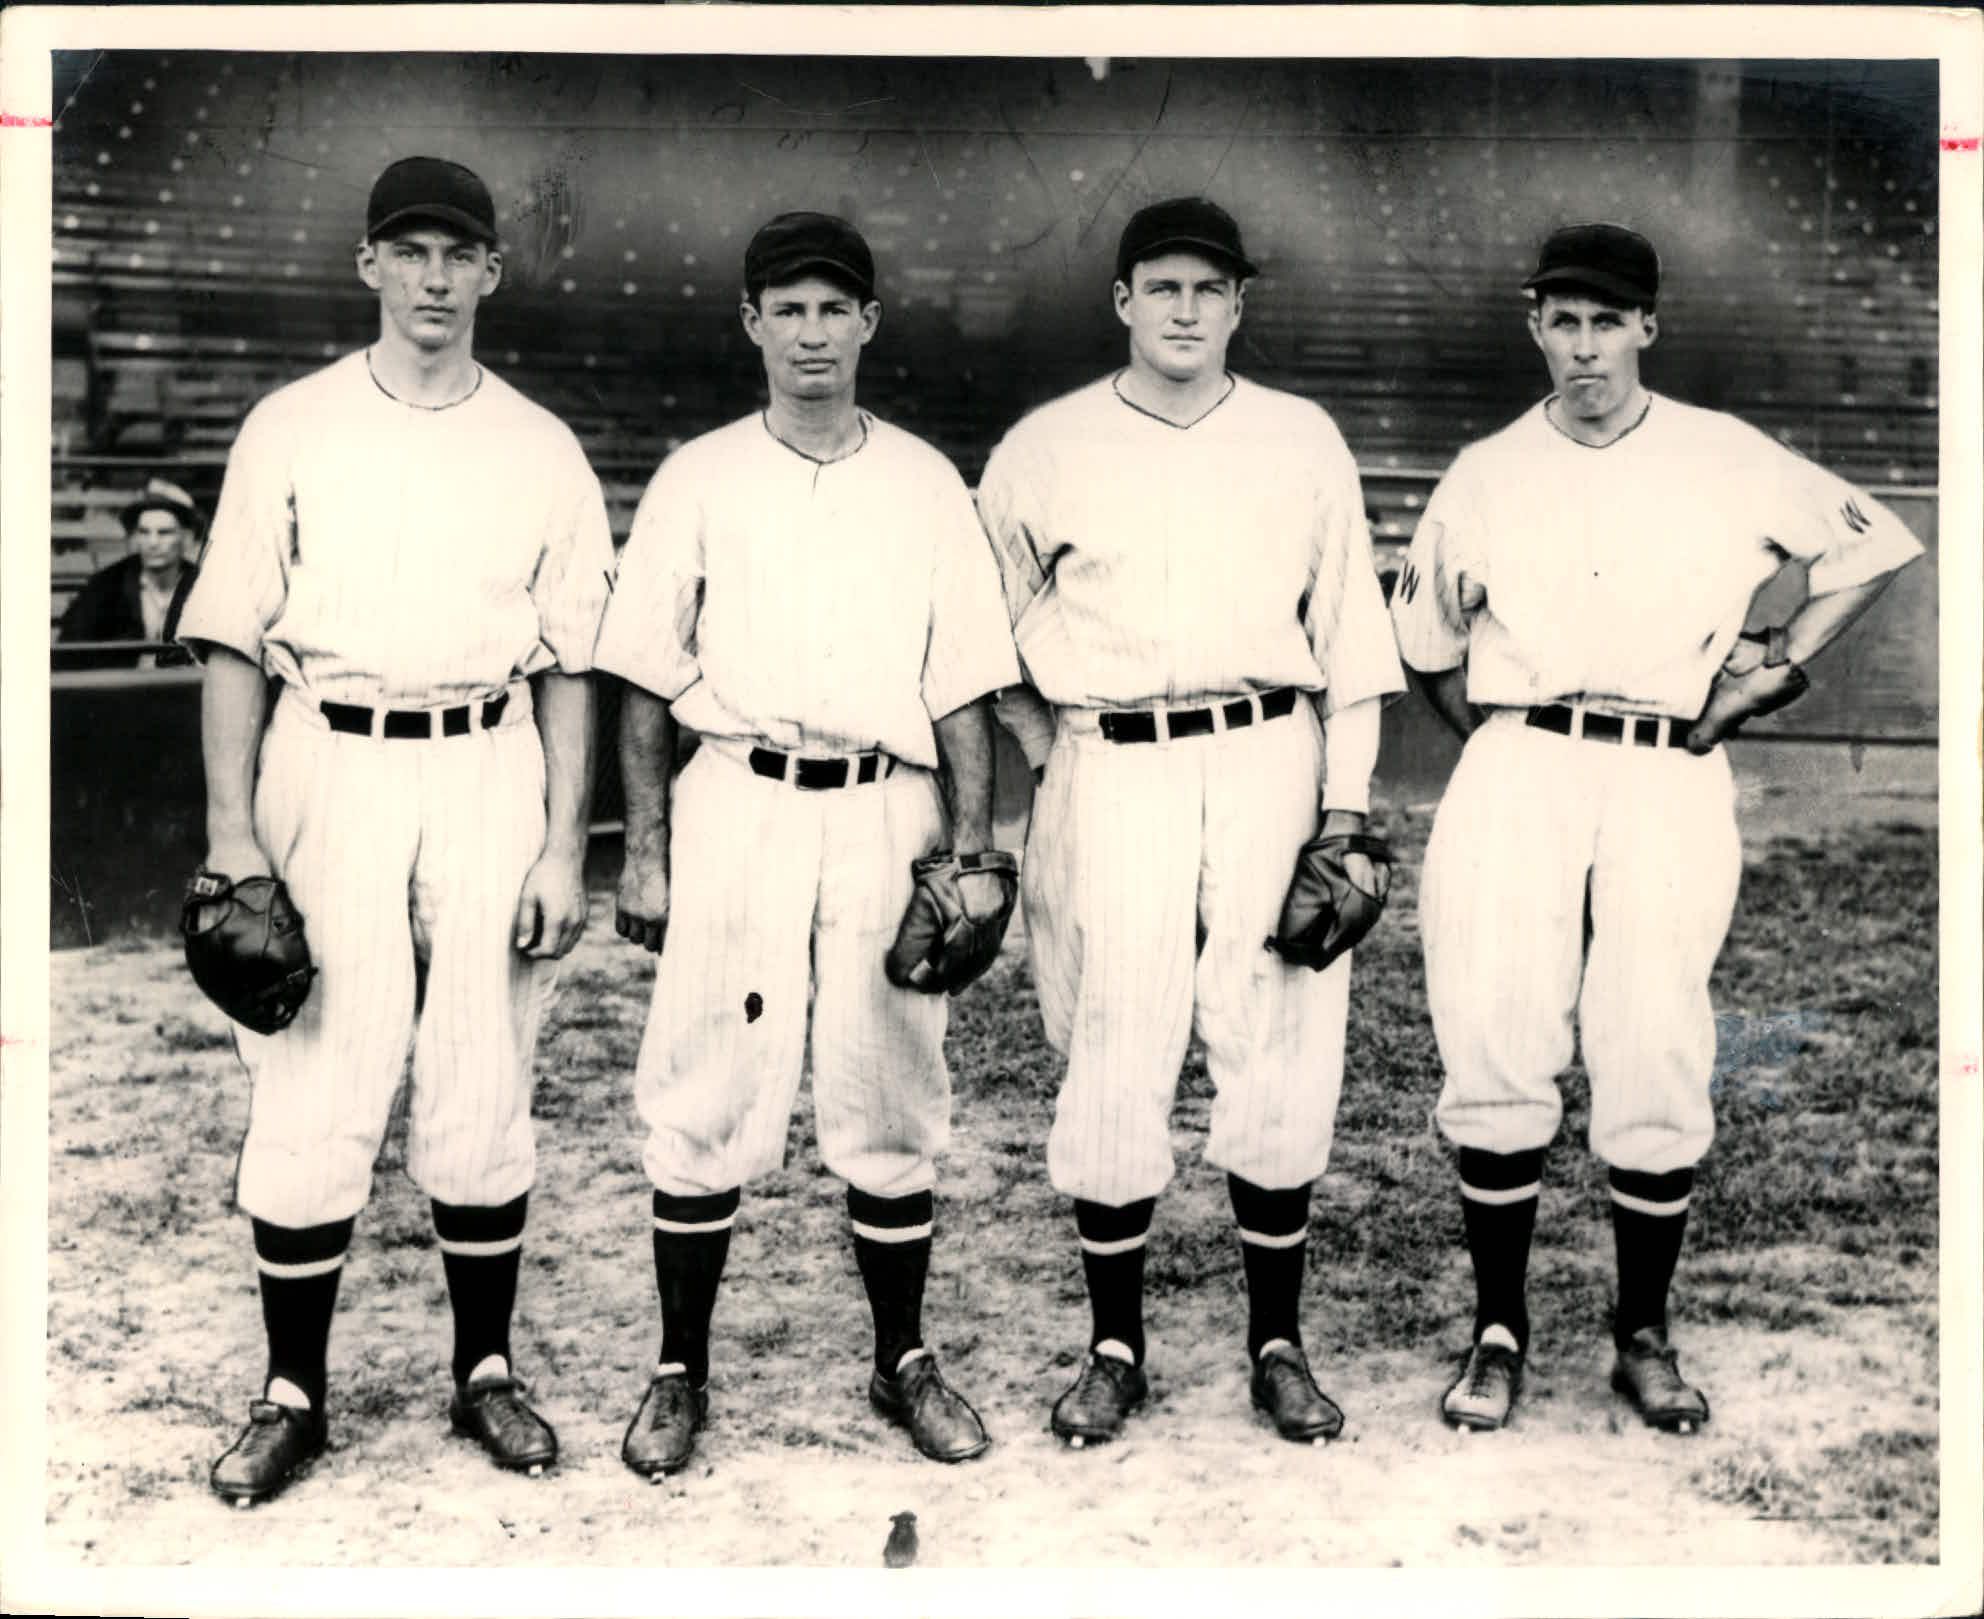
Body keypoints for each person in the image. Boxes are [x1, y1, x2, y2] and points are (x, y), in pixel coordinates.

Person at [1388, 222, 1924, 1435]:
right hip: (1522, 757)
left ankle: (1642, 1332)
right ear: (1534, 326)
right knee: (1496, 1032)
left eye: (1605, 321)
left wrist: (1769, 668)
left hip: (1665, 763)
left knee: (1653, 1035)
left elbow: (1875, 546)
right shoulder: (1485, 470)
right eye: (1562, 321)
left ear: (1646, 326)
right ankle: (1496, 1331)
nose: (1583, 346)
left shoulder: (1720, 452)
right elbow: (1425, 645)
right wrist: (1506, 740)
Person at [175, 156, 614, 1505]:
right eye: (409, 250)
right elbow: (232, 639)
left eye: (458, 253)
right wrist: (233, 837)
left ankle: (484, 1368)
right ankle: (291, 1392)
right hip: (332, 756)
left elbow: (572, 661)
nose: (434, 276)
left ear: (492, 271)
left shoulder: (539, 443)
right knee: (314, 1068)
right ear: (368, 263)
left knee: (484, 1068)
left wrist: (564, 844)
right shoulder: (292, 425)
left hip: (487, 757)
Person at [595, 211, 1022, 1478]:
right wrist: (646, 851)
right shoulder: (698, 476)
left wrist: (972, 854)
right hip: (740, 793)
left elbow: (963, 684)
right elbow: (642, 679)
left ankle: (903, 1357)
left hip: (886, 805)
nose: (813, 332)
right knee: (704, 1083)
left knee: (890, 1082)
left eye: (835, 308)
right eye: (788, 308)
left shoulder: (927, 481)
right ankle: (679, 1368)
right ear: (752, 323)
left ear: (869, 322)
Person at [975, 197, 1406, 1448]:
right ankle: (1115, 1346)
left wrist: (1343, 813)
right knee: (1113, 1040)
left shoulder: (1299, 437)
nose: (1184, 308)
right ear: (1122, 300)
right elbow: (984, 627)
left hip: (1268, 751)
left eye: (1208, 288)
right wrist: (1052, 750)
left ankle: (1278, 1342)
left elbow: (1351, 640)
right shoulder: (1045, 446)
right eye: (1161, 286)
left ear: (1237, 304)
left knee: (1277, 1039)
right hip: (1111, 760)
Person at [56, 477, 202, 668]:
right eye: (144, 532)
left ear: (186, 538)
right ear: (135, 538)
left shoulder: (203, 585)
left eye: (164, 532)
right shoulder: (105, 585)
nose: (153, 543)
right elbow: (68, 655)